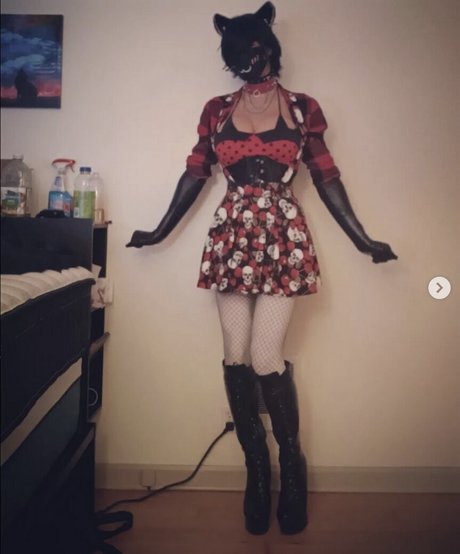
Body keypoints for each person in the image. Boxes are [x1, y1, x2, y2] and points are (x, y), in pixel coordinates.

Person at [127, 2, 397, 536]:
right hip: (232, 237)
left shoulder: (302, 108)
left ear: (270, 47)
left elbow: (325, 175)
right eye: (235, 54)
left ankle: (291, 466)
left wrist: (362, 239)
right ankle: (257, 468)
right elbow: (195, 173)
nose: (246, 61)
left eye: (253, 49)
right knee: (235, 354)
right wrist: (158, 231)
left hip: (282, 239)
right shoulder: (216, 110)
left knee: (266, 355)